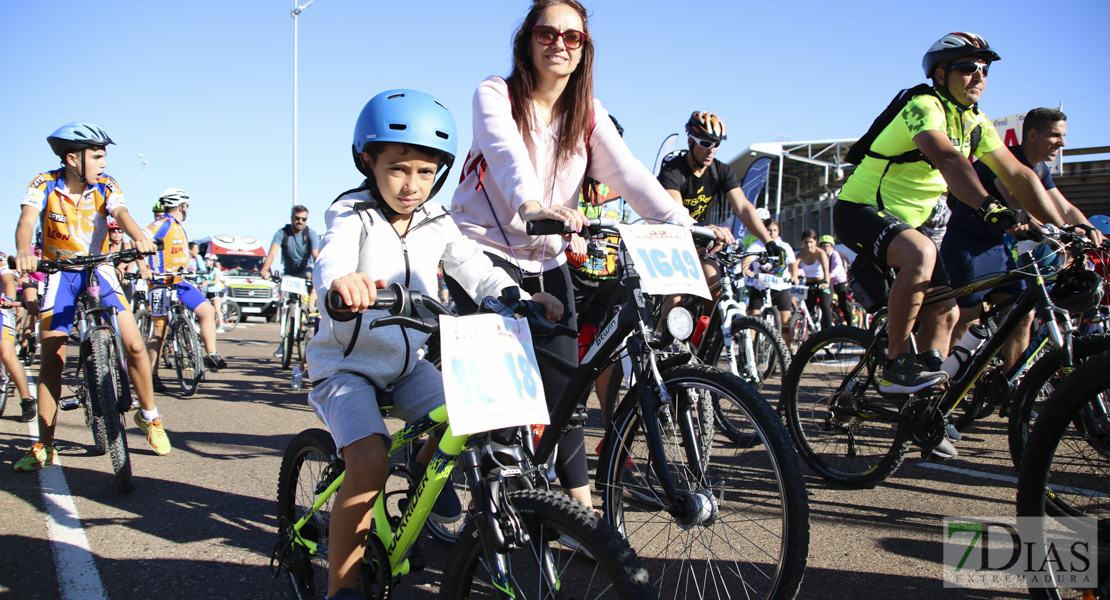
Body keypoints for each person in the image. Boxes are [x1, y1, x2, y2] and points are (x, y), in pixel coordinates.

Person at [446, 0, 733, 512]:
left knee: (567, 391)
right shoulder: (496, 94)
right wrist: (532, 204)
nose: (559, 43)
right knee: (493, 397)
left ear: (584, 50)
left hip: (547, 257)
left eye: (572, 37)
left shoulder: (589, 113)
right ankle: (462, 495)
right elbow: (507, 156)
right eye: (546, 33)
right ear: (527, 40)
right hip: (482, 251)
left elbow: (632, 177)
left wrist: (687, 227)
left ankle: (581, 513)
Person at [305, 88, 561, 600]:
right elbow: (329, 259)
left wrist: (521, 295)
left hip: (406, 366)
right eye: (398, 168)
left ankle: (419, 496)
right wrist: (342, 284)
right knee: (371, 464)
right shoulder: (351, 213)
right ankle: (342, 587)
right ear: (368, 160)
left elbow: (476, 267)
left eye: (426, 172)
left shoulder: (437, 219)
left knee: (475, 419)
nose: (411, 184)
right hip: (347, 368)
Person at [833, 32, 1069, 403]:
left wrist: (1064, 228)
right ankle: (895, 364)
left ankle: (922, 410)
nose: (978, 76)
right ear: (941, 75)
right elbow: (949, 160)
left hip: (908, 225)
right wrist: (990, 207)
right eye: (967, 68)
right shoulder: (923, 105)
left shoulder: (975, 121)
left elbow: (1019, 174)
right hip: (858, 210)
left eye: (985, 70)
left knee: (946, 310)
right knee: (920, 253)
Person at [14, 122, 170, 471]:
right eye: (97, 156)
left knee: (132, 344)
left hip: (99, 269)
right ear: (73, 158)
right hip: (59, 272)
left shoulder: (106, 185)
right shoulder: (44, 183)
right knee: (52, 356)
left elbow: (122, 215)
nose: (103, 163)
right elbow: (26, 219)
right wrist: (25, 249)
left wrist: (138, 238)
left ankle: (150, 417)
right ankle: (45, 443)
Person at [941, 107, 1099, 378]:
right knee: (969, 321)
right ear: (1033, 135)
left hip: (997, 249)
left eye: (1063, 136)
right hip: (966, 248)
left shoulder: (1039, 168)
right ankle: (945, 390)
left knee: (1022, 315)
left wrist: (1089, 230)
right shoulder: (1008, 160)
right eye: (1056, 135)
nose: (1062, 142)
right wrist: (1057, 230)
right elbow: (1016, 202)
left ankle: (1008, 384)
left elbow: (1063, 206)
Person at [657, 111, 780, 312]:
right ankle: (664, 340)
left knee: (716, 292)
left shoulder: (720, 170)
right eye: (705, 143)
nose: (711, 149)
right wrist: (707, 229)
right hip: (673, 238)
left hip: (700, 240)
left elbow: (743, 207)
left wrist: (769, 241)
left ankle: (704, 340)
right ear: (690, 141)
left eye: (716, 144)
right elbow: (676, 213)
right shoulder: (673, 170)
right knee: (674, 300)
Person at [143, 187, 228, 393]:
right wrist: (143, 268)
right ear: (182, 206)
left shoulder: (178, 226)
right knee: (159, 332)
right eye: (186, 206)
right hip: (161, 283)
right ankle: (150, 375)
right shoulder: (162, 223)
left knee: (206, 310)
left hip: (180, 281)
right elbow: (139, 240)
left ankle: (210, 355)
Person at [261, 205, 320, 371]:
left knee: (310, 275)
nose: (300, 222)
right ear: (292, 218)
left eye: (303, 219)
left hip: (305, 270)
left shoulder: (311, 234)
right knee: (285, 303)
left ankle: (307, 313)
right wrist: (265, 269)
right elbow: (272, 253)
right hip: (289, 274)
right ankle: (284, 341)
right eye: (297, 218)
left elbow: (316, 255)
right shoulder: (282, 233)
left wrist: (321, 271)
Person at [743, 219, 799, 346]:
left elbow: (793, 263)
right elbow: (748, 258)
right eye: (769, 230)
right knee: (754, 318)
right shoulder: (757, 245)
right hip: (760, 286)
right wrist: (745, 268)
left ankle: (789, 353)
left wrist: (795, 276)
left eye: (775, 230)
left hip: (781, 287)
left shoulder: (784, 246)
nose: (772, 233)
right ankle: (749, 351)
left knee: (785, 321)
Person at [0, 252, 36, 422]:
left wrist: (9, 298)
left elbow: (8, 282)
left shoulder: (0, 257)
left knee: (7, 354)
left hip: (1, 310)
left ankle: (26, 399)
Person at [796, 229, 833, 330]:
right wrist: (793, 279)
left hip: (822, 282)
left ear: (816, 241)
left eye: (811, 242)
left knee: (825, 306)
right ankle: (808, 332)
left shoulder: (820, 253)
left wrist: (826, 282)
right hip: (809, 284)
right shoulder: (800, 255)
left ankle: (830, 333)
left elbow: (826, 269)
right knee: (806, 309)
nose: (808, 245)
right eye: (806, 242)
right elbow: (794, 268)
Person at [819, 235, 853, 327]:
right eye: (823, 246)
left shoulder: (834, 254)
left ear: (832, 247)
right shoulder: (821, 256)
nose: (826, 248)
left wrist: (831, 275)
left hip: (839, 281)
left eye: (828, 246)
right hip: (829, 282)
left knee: (842, 304)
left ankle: (850, 325)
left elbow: (838, 266)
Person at [200, 253, 227, 333]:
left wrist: (207, 282)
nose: (206, 262)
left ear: (212, 261)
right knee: (210, 310)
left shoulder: (215, 270)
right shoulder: (209, 270)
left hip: (215, 292)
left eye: (207, 261)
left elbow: (215, 281)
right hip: (209, 292)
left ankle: (221, 327)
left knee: (217, 310)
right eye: (205, 261)